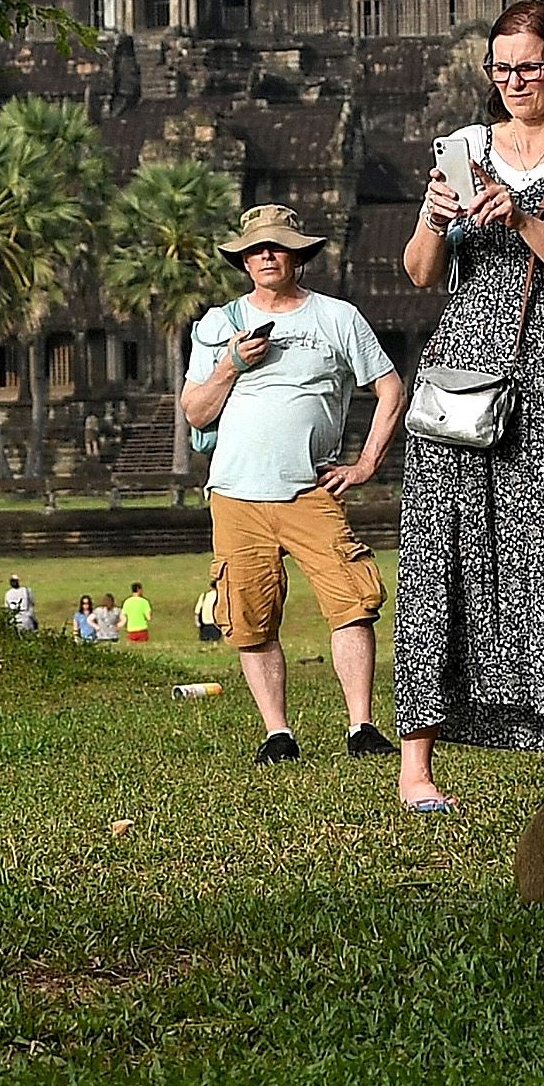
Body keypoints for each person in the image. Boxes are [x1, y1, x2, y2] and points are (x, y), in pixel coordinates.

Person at [390, 0, 544, 814]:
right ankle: (417, 767)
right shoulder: (464, 146)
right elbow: (423, 274)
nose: (513, 81)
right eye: (499, 68)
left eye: (529, 66)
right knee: (443, 547)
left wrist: (527, 214)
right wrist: (434, 218)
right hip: (465, 360)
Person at [179, 202, 407, 766]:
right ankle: (277, 732)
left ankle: (361, 724)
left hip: (312, 488)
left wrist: (364, 464)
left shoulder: (336, 318)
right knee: (250, 614)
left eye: (277, 246)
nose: (266, 256)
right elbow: (195, 412)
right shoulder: (218, 324)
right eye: (255, 249)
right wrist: (230, 363)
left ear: (298, 255)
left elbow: (390, 389)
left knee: (353, 602)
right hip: (235, 492)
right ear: (244, 260)